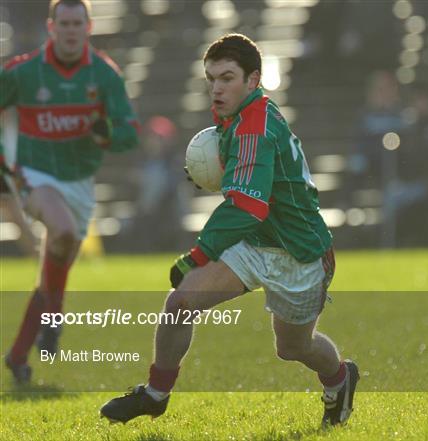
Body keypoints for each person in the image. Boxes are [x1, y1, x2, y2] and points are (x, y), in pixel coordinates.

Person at [100, 34, 358, 427]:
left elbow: (247, 207)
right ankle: (155, 393)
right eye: (211, 79)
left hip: (300, 254)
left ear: (253, 80)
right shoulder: (237, 117)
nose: (217, 88)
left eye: (227, 78)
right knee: (179, 304)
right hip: (256, 242)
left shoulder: (255, 126)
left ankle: (340, 379)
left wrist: (198, 255)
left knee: (292, 347)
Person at [2, 0, 139, 383]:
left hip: (80, 184)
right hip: (34, 174)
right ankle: (55, 319)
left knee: (55, 265)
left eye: (77, 23)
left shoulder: (104, 74)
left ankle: (16, 355)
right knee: (59, 234)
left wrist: (107, 134)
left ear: (88, 26)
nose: (70, 30)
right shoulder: (25, 72)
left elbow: (129, 133)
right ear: (51, 27)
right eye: (63, 23)